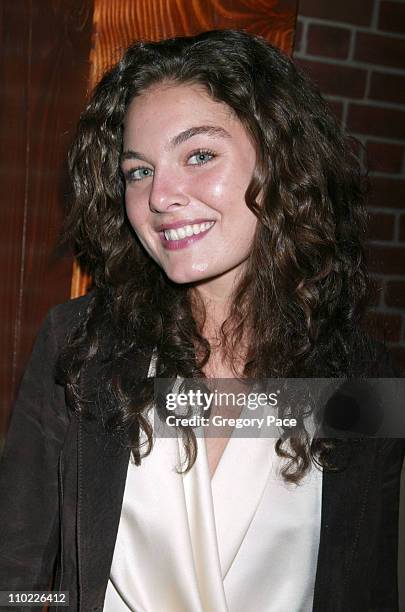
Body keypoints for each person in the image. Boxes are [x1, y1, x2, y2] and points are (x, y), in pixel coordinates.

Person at [0, 28, 403, 612]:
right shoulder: (81, 343)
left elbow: (366, 588)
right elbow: (18, 574)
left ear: (281, 161)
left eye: (199, 155)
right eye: (138, 170)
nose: (161, 195)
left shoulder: (364, 378)